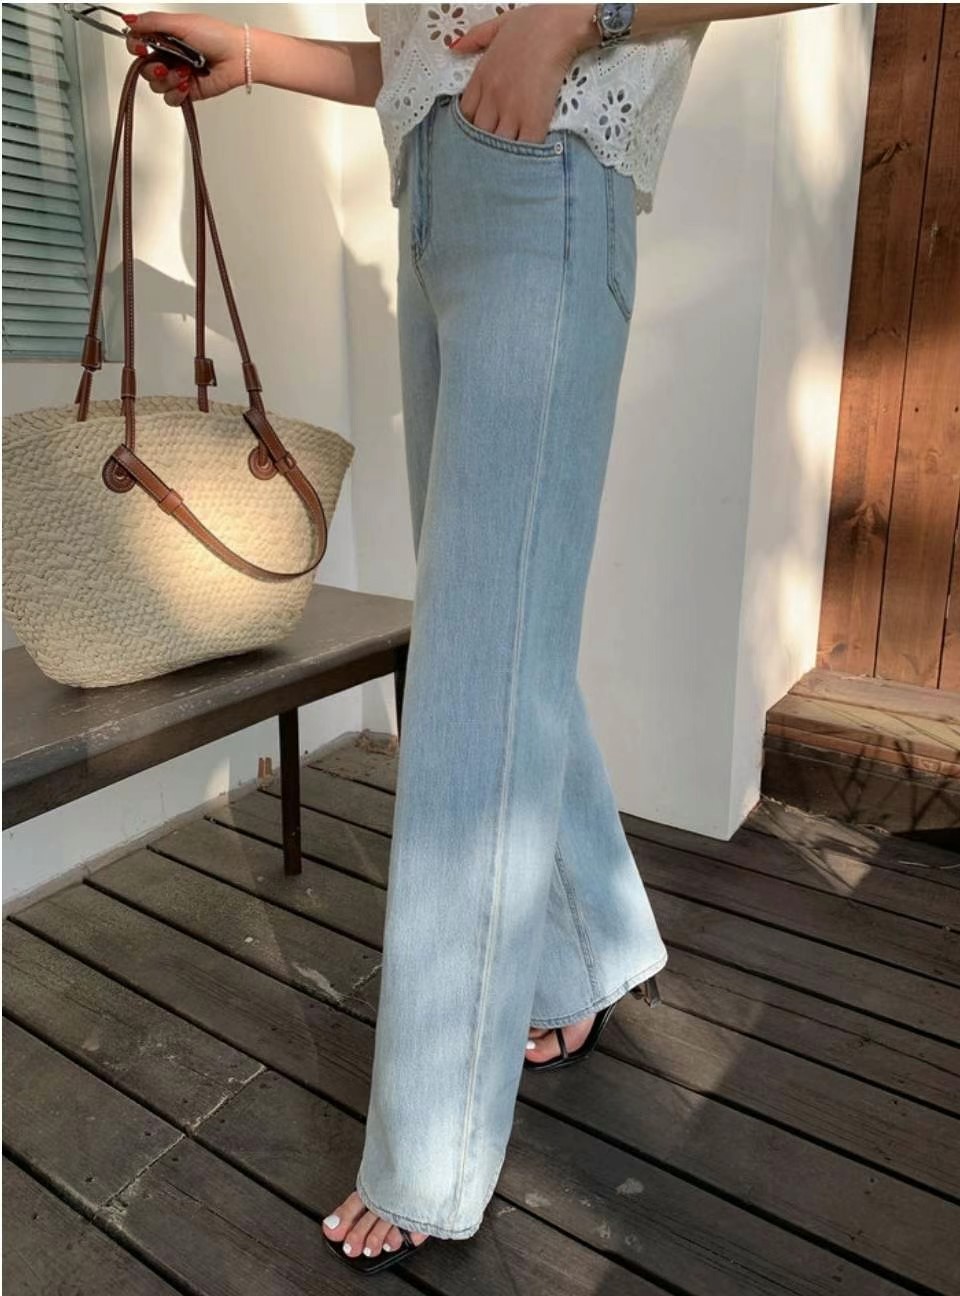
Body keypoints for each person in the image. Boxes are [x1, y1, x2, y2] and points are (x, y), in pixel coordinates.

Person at [123, 1, 824, 1275]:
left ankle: (431, 1154)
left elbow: (515, 35)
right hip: (439, 207)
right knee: (495, 638)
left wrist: (578, 20)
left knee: (470, 678)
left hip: (545, 185)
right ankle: (587, 953)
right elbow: (423, 55)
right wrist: (256, 57)